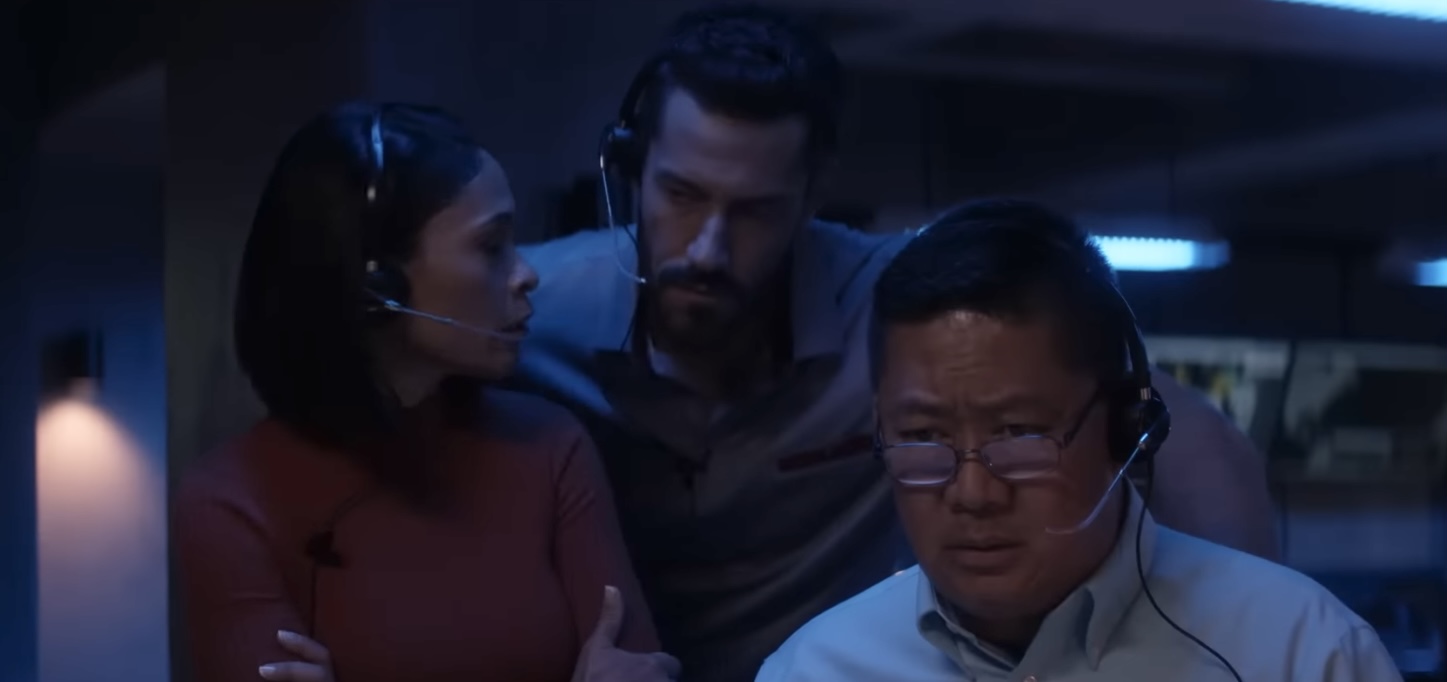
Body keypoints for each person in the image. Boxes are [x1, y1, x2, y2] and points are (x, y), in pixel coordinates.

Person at [514, 4, 1279, 680]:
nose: (708, 248)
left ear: (810, 199)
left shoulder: (901, 312)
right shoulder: (534, 307)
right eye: (681, 195)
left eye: (753, 211)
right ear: (632, 171)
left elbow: (1179, 431)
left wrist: (1238, 644)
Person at [754, 200, 1399, 682]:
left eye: (1019, 433)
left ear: (1126, 429)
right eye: (922, 436)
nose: (973, 493)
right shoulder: (814, 670)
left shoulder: (1301, 653)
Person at [173, 103, 679, 682]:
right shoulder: (233, 501)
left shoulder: (550, 448)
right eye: (491, 246)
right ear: (377, 287)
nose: (527, 274)